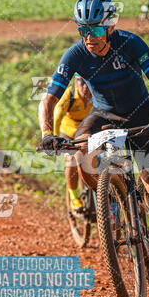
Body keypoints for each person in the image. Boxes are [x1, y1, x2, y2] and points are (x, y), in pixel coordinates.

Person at [39, 0, 149, 285]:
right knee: (80, 150)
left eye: (94, 29)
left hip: (141, 114)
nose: (88, 37)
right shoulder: (76, 54)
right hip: (104, 115)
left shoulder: (130, 44)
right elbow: (48, 99)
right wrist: (47, 134)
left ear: (110, 27)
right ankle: (110, 193)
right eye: (83, 30)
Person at [53, 72, 92, 211]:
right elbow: (57, 117)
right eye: (82, 83)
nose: (85, 87)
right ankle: (74, 196)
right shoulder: (69, 94)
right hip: (68, 132)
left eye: (88, 83)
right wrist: (55, 139)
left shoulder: (96, 94)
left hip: (87, 131)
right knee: (71, 161)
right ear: (76, 82)